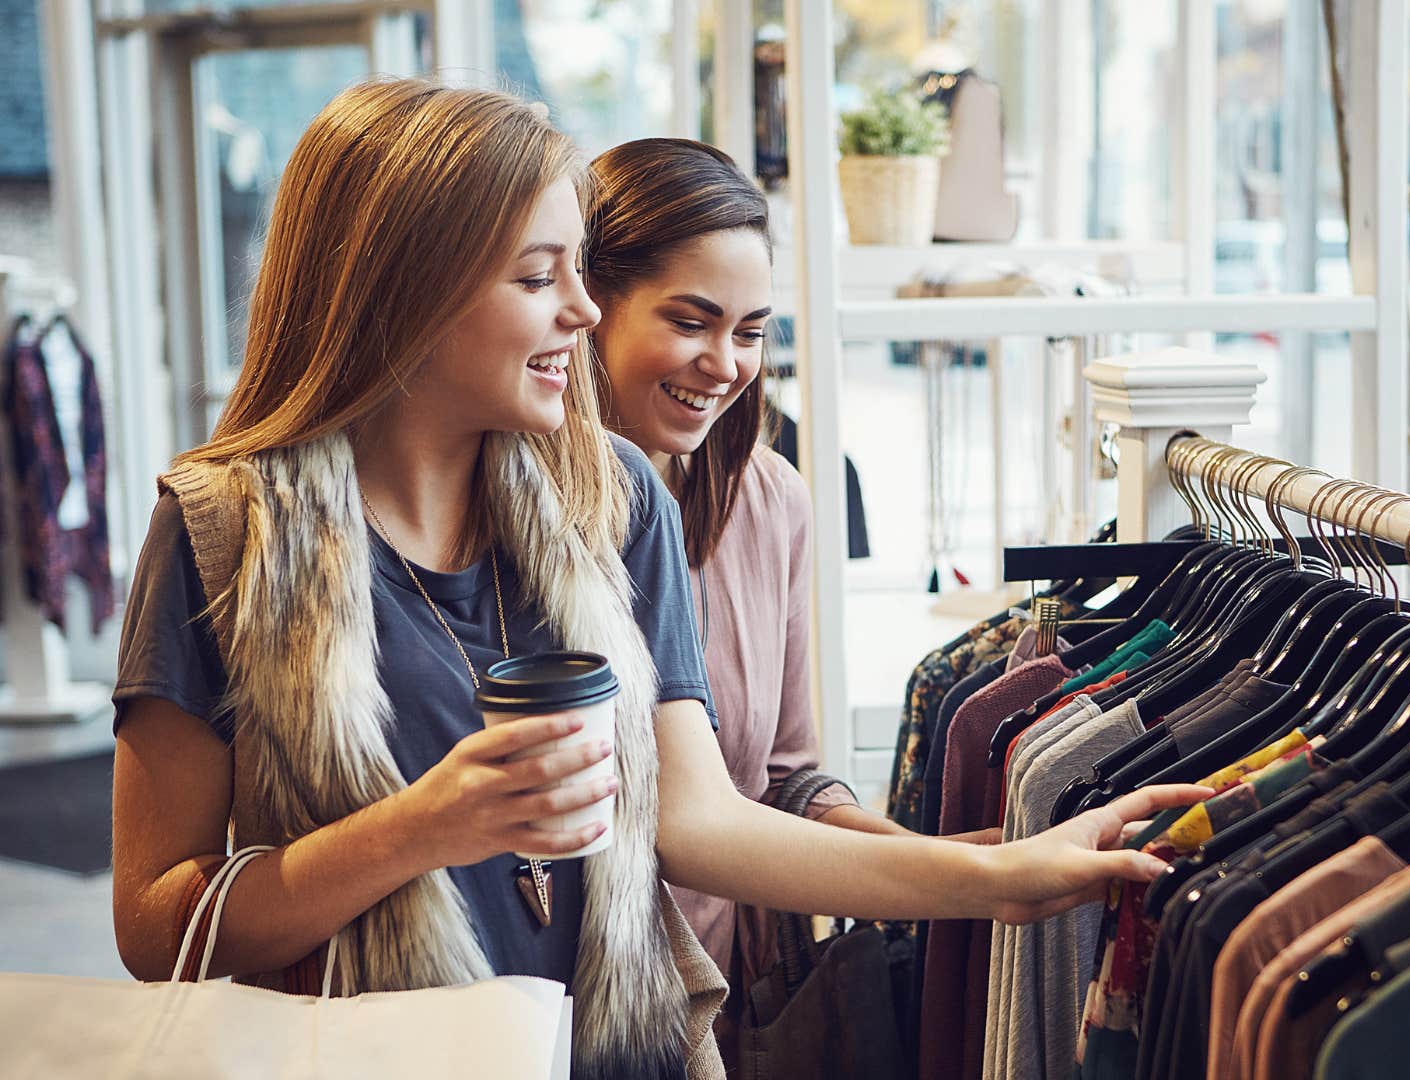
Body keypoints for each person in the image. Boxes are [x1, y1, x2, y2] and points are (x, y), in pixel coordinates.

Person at [109, 78, 1203, 1080]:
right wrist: (421, 829)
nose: (582, 313)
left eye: (579, 272)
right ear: (407, 290)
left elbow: (705, 822)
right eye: (540, 277)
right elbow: (156, 930)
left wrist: (1006, 882)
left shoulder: (613, 499)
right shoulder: (223, 534)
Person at [583, 137, 946, 1018]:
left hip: (713, 1004)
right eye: (689, 320)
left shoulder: (769, 500)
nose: (725, 365)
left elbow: (786, 777)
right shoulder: (505, 512)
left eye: (749, 332)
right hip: (545, 1007)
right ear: (589, 305)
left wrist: (930, 854)